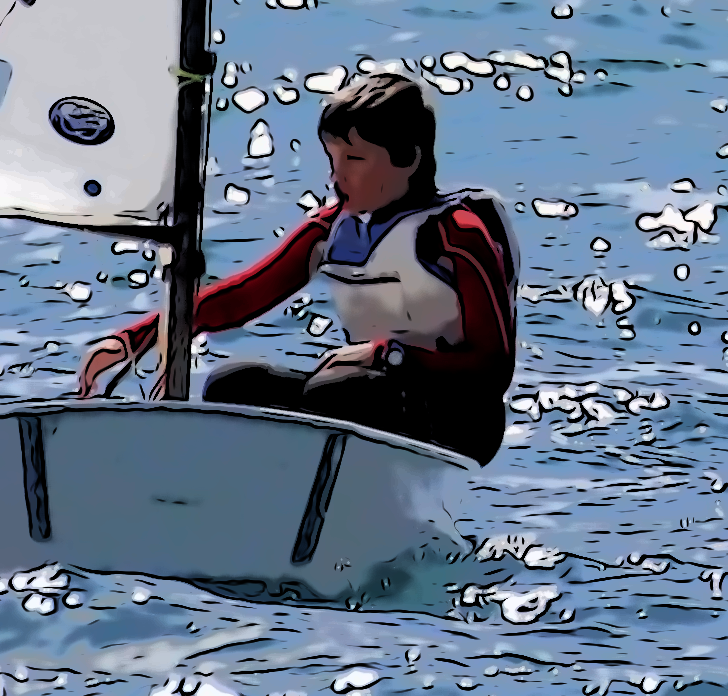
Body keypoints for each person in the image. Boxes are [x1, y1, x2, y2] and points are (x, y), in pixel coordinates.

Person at [73, 70, 519, 464]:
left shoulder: (458, 235)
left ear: (409, 159)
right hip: (370, 395)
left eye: (355, 160)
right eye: (333, 159)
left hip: (460, 418)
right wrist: (135, 338)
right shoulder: (331, 230)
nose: (336, 177)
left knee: (335, 394)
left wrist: (388, 354)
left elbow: (492, 368)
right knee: (233, 387)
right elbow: (242, 296)